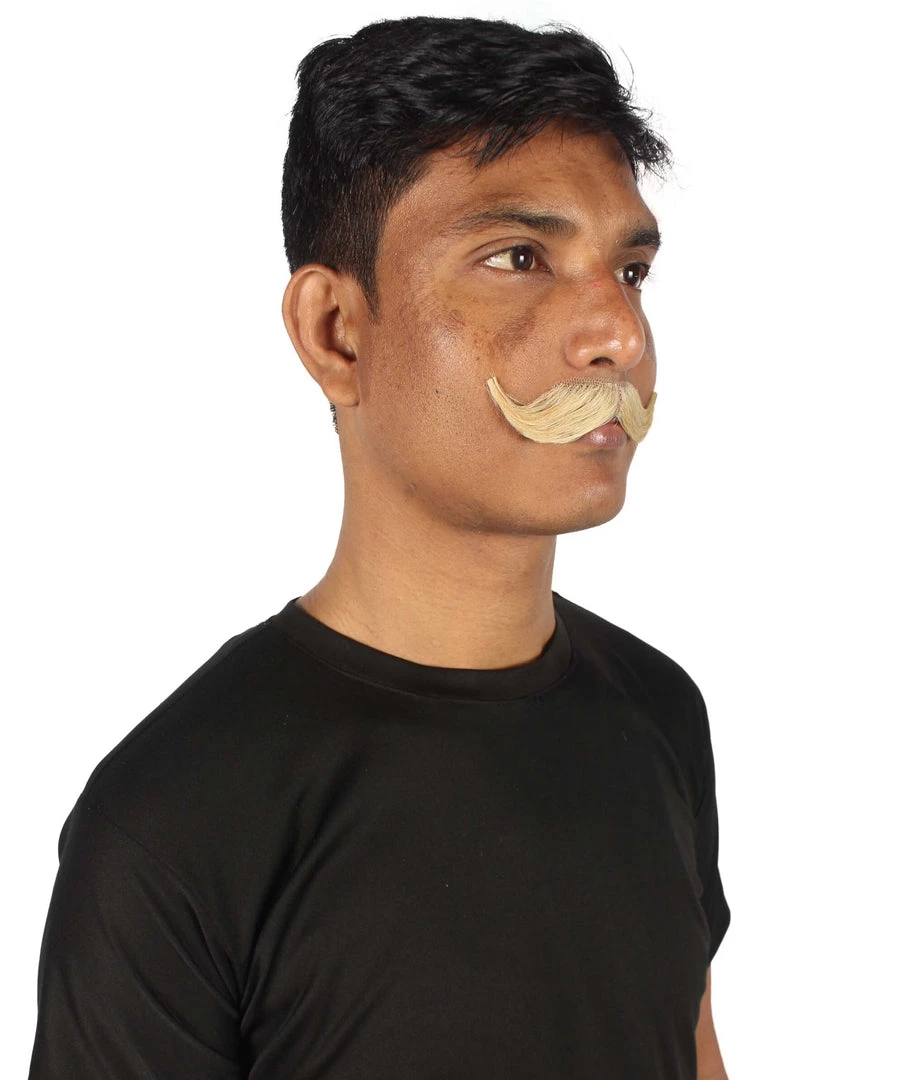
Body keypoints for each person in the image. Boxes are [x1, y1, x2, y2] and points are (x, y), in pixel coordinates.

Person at [28, 15, 731, 1080]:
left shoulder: (659, 714)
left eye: (628, 272)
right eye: (518, 258)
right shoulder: (175, 815)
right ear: (335, 332)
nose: (618, 336)